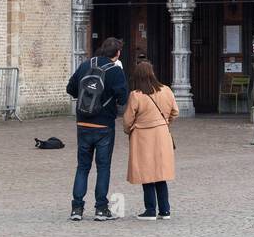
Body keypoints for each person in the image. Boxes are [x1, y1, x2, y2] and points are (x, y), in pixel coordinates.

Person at [65, 37, 129, 220]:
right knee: (103, 167)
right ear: (117, 54)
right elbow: (123, 98)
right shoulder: (115, 70)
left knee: (82, 167)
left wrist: (87, 101)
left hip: (83, 123)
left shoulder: (86, 65)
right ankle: (101, 209)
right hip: (104, 125)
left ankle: (76, 209)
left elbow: (70, 88)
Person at [122, 60, 179, 220]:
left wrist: (129, 131)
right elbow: (175, 111)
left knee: (146, 173)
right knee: (160, 173)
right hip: (162, 135)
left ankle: (150, 209)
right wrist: (164, 123)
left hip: (142, 136)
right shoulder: (166, 90)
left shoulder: (136, 95)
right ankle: (165, 209)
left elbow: (128, 120)